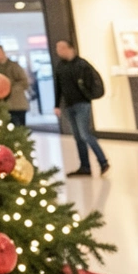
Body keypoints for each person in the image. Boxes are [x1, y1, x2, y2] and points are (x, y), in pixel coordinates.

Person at [52, 40, 110, 178]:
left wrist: (87, 96)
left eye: (62, 47)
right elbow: (58, 87)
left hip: (82, 104)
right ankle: (85, 166)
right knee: (78, 137)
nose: (59, 50)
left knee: (85, 134)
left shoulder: (82, 65)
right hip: (69, 105)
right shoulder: (60, 66)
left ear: (70, 48)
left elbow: (90, 82)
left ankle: (103, 161)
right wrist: (57, 105)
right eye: (57, 48)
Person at [0, 45, 31, 127]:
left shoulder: (14, 66)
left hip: (17, 104)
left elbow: (24, 82)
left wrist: (8, 89)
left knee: (20, 128)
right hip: (3, 106)